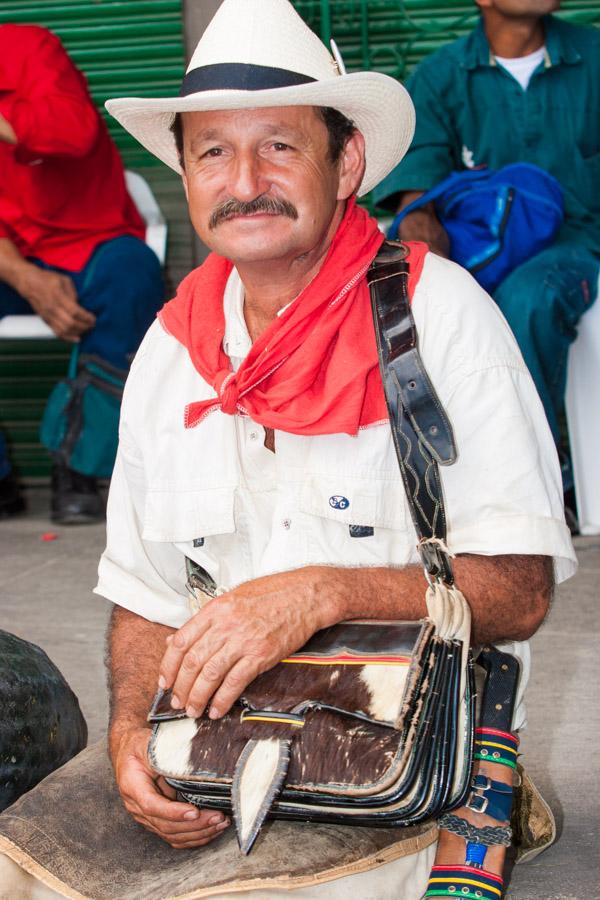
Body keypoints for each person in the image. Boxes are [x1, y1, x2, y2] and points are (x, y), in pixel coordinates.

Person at [0, 1, 575, 897]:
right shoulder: (170, 350)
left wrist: (321, 593)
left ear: (344, 163)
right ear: (187, 177)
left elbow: (520, 590)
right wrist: (127, 741)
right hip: (213, 741)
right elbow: (147, 597)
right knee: (23, 865)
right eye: (214, 153)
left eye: (279, 145)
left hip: (395, 745)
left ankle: (496, 799)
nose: (246, 180)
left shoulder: (439, 316)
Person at [373, 0, 600, 515]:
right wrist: (438, 272)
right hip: (480, 248)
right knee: (422, 304)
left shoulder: (593, 56)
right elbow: (416, 203)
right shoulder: (440, 76)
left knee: (530, 298)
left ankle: (532, 484)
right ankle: (444, 484)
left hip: (578, 242)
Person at [0, 24, 164, 524]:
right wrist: (25, 277)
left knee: (132, 270)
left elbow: (74, 129)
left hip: (87, 243)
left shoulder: (28, 47)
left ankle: (81, 467)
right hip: (9, 258)